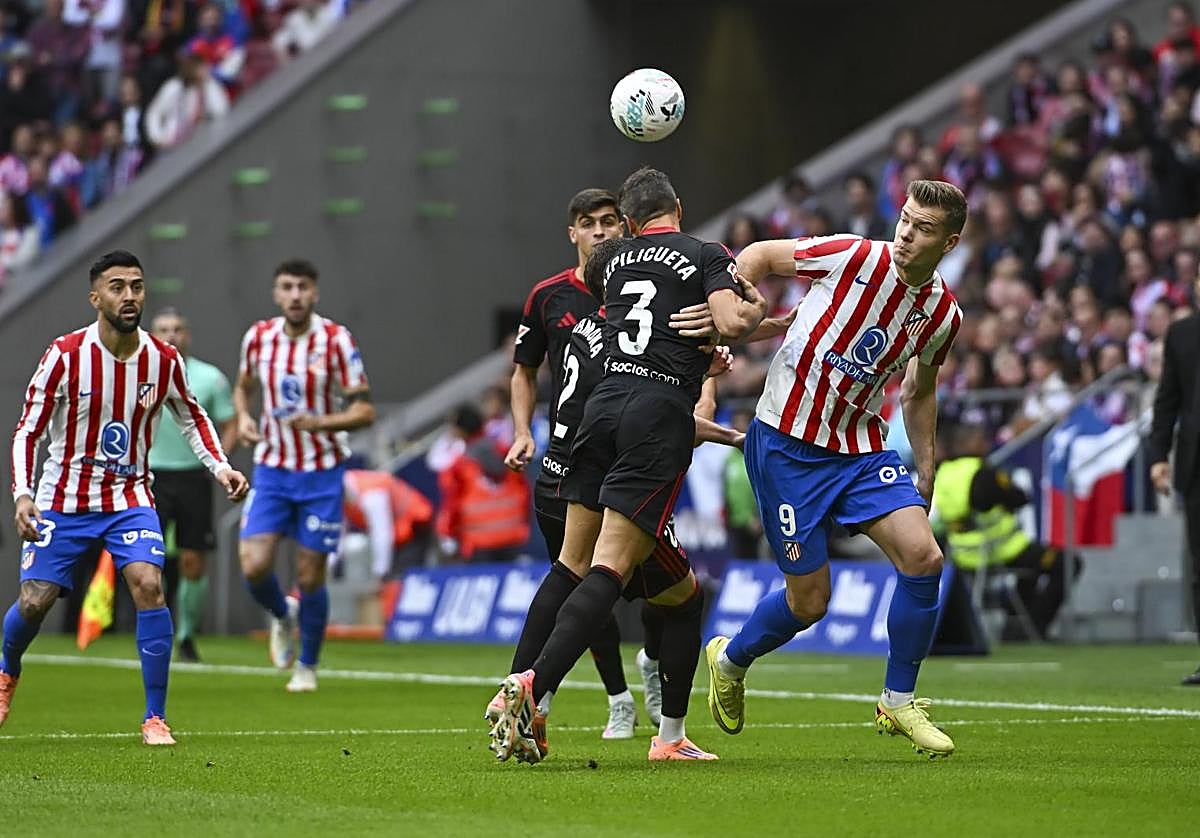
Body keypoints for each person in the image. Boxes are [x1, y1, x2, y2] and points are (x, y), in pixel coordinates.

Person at [487, 167, 767, 763]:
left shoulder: (609, 267)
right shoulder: (704, 253)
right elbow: (739, 322)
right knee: (618, 571)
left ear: (629, 225)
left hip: (599, 413)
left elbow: (634, 298)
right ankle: (539, 688)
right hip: (654, 415)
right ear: (679, 209)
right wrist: (750, 310)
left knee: (573, 564)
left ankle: (530, 682)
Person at [704, 179, 966, 759]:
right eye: (904, 219)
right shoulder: (854, 256)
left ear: (947, 243)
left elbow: (919, 392)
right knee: (809, 603)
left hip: (860, 449)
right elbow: (762, 255)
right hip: (785, 445)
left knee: (924, 556)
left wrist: (925, 467)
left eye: (923, 228)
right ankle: (730, 658)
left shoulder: (942, 313)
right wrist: (736, 300)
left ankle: (898, 700)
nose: (905, 233)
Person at [1, 250, 248, 744]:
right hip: (63, 499)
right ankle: (7, 672)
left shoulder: (162, 358)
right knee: (35, 600)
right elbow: (28, 431)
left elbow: (191, 416)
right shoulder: (65, 355)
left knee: (148, 585)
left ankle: (154, 717)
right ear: (96, 298)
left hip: (129, 496)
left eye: (136, 285)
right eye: (117, 287)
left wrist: (220, 466)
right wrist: (24, 494)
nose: (129, 295)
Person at [502, 187, 638, 738]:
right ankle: (617, 697)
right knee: (585, 576)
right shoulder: (548, 296)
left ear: (624, 228)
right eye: (590, 223)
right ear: (573, 233)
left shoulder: (644, 291)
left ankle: (649, 675)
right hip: (570, 459)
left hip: (631, 458)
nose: (600, 230)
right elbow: (523, 370)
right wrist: (520, 431)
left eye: (610, 221)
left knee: (642, 585)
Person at [234, 258, 375, 693]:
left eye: (303, 287)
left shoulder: (335, 340)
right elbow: (244, 385)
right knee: (253, 564)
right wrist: (242, 417)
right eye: (287, 287)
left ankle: (308, 666)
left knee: (310, 575)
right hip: (273, 468)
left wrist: (323, 423)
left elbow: (364, 409)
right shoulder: (258, 338)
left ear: (315, 293)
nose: (295, 295)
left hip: (321, 473)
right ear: (276, 294)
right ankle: (282, 614)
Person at [148, 307, 237, 662]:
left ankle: (186, 636)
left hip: (192, 477)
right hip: (151, 476)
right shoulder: (140, 371)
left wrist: (218, 464)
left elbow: (230, 422)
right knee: (148, 561)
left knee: (192, 561)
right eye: (164, 328)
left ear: (188, 335)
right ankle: (156, 633)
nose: (172, 334)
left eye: (178, 328)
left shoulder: (209, 378)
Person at [934, 424, 1069, 639]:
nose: (986, 444)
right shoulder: (982, 472)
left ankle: (1016, 626)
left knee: (1031, 568)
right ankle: (1036, 626)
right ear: (968, 444)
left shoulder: (942, 473)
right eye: (980, 439)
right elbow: (1019, 497)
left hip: (960, 553)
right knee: (1067, 563)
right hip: (999, 548)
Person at [1149, 266, 1200, 685]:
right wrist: (1158, 455)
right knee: (1199, 563)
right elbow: (1167, 401)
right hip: (1196, 462)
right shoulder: (1182, 335)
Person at [436, 403, 530, 563]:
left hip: (478, 543)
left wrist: (447, 534)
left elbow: (452, 504)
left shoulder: (459, 466)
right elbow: (525, 492)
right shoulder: (509, 454)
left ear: (461, 430)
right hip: (513, 537)